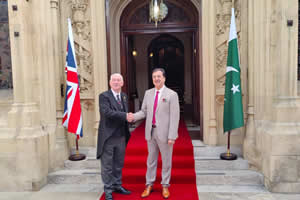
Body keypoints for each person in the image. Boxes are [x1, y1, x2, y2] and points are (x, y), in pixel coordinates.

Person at [129, 68, 180, 199]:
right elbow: (144, 111)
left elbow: (175, 117)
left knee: (166, 161)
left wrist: (172, 136)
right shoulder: (148, 93)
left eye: (159, 76)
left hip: (165, 133)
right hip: (150, 132)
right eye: (154, 77)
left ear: (164, 78)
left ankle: (165, 186)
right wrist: (133, 117)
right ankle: (149, 184)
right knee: (151, 160)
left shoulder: (172, 95)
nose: (156, 79)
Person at [96, 73, 132, 200]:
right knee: (107, 165)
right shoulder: (104, 96)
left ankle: (117, 185)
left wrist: (129, 117)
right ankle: (108, 190)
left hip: (121, 136)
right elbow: (107, 113)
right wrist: (125, 116)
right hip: (108, 137)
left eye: (118, 80)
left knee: (118, 164)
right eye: (114, 80)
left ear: (122, 83)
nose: (116, 82)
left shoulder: (124, 96)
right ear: (110, 83)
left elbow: (124, 114)